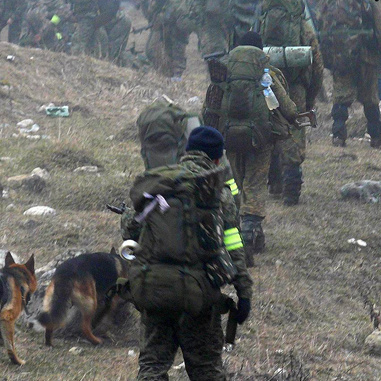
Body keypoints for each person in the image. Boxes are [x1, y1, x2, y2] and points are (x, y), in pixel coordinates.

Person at [125, 126, 253, 380]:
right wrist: (244, 292)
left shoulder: (161, 183)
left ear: (186, 151)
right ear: (218, 159)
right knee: (206, 369)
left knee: (152, 366)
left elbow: (129, 229)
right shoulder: (217, 193)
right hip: (199, 295)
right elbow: (234, 247)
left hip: (154, 289)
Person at [217, 31, 298, 258]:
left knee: (237, 181)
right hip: (260, 139)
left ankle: (235, 232)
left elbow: (213, 105)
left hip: (230, 138)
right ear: (260, 51)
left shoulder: (225, 72)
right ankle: (250, 233)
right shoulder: (267, 73)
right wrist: (294, 118)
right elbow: (288, 107)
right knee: (255, 183)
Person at [261, 0, 324, 206]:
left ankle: (274, 183)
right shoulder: (303, 27)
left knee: (271, 129)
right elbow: (317, 65)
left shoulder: (261, 22)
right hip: (296, 86)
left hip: (269, 83)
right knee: (293, 131)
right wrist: (311, 96)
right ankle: (291, 190)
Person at [319, 0, 381, 148]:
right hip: (366, 57)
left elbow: (322, 27)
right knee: (370, 97)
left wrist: (328, 57)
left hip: (340, 56)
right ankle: (376, 135)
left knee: (340, 95)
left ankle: (338, 135)